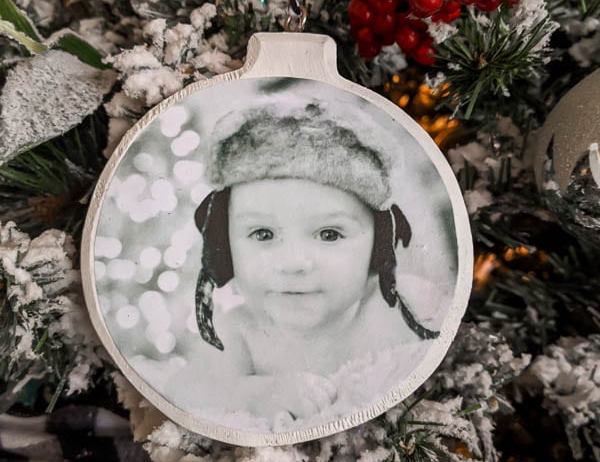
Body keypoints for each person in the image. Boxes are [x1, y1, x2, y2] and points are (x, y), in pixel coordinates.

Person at [164, 98, 440, 430]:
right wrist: (254, 394)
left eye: (329, 233)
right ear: (224, 246)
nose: (293, 263)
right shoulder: (237, 330)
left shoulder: (404, 307)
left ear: (378, 245)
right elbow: (183, 390)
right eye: (263, 233)